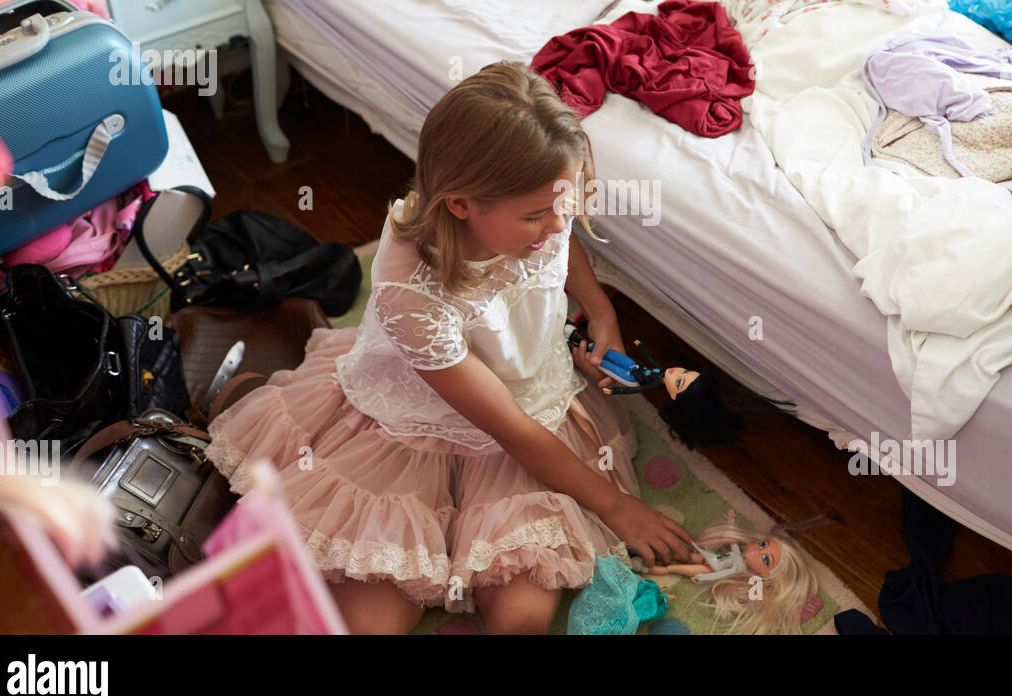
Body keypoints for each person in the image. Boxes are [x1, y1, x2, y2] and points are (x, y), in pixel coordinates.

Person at [205, 60, 700, 634]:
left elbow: (560, 245)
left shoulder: (538, 204)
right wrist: (616, 508)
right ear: (461, 204)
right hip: (425, 429)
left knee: (521, 617)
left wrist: (602, 311)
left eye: (562, 205)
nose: (557, 223)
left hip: (527, 399)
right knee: (372, 623)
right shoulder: (411, 293)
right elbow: (511, 431)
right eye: (537, 215)